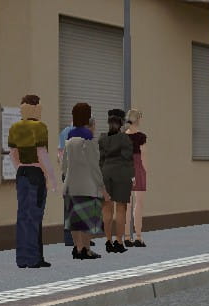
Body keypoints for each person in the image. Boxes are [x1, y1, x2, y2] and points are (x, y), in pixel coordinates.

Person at [6, 94, 57, 269]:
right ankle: (35, 258)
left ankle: (22, 258)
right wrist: (50, 177)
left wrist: (20, 167)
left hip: (22, 173)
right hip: (36, 173)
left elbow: (13, 153)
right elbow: (42, 154)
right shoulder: (40, 127)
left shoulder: (14, 127)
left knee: (22, 215)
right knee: (35, 215)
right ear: (35, 107)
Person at [61, 102, 104, 260]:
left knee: (73, 218)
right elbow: (94, 165)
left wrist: (66, 177)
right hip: (87, 185)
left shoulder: (69, 137)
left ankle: (77, 248)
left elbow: (64, 164)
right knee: (87, 217)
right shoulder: (88, 137)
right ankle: (86, 249)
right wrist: (101, 186)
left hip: (71, 184)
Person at [98, 108, 135, 253]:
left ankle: (108, 241)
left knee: (106, 209)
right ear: (121, 122)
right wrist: (132, 176)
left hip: (105, 173)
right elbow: (128, 159)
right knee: (121, 209)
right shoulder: (125, 138)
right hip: (121, 174)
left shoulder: (102, 138)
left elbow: (100, 160)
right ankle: (119, 242)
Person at [125, 109, 148, 248]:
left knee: (127, 204)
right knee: (138, 203)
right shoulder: (141, 137)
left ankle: (127, 237)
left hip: (125, 170)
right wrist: (145, 171)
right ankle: (138, 236)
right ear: (137, 120)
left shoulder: (122, 137)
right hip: (138, 169)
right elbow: (143, 156)